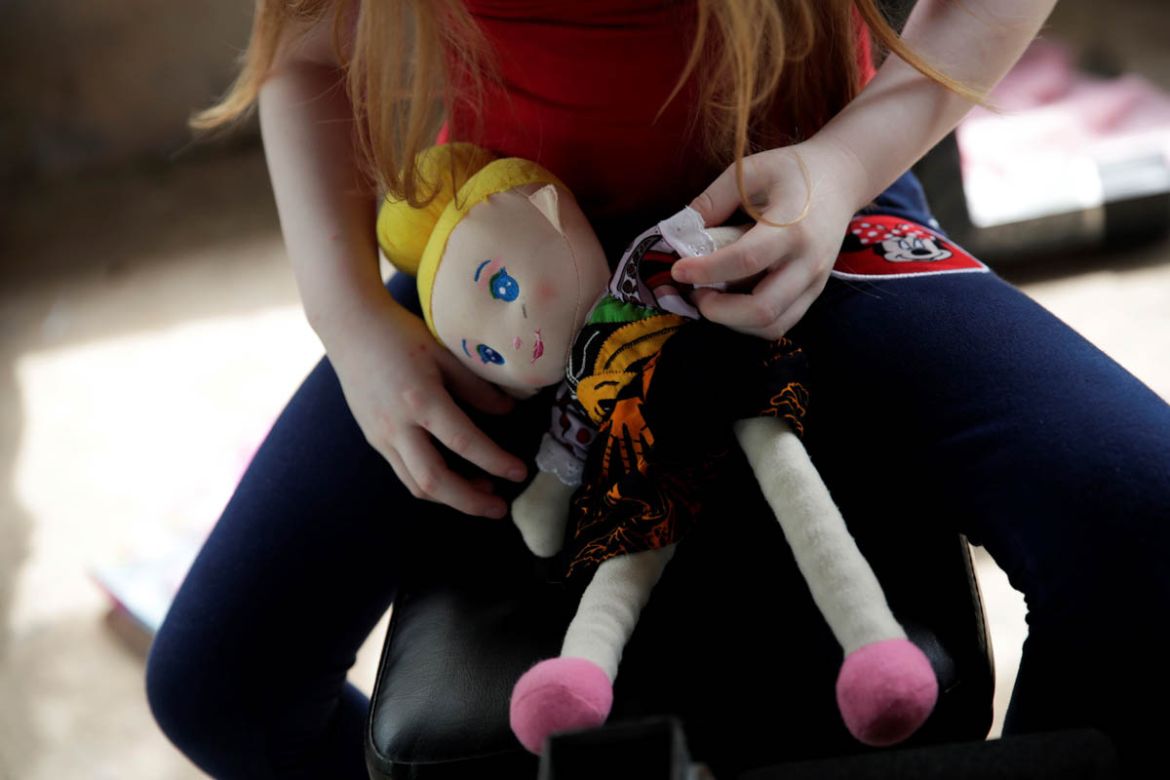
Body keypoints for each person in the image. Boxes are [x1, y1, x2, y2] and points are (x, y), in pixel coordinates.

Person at [144, 0, 1170, 777]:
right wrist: (352, 322)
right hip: (510, 262)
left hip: (802, 216)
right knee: (217, 688)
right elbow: (307, 47)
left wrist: (842, 166)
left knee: (1145, 520)